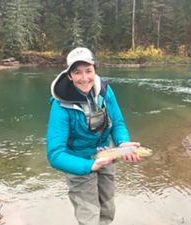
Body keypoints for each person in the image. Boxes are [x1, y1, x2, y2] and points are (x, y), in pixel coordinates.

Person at [46, 47, 141, 225]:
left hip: (107, 157)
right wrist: (90, 165)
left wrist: (123, 143)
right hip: (78, 164)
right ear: (69, 76)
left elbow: (118, 123)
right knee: (89, 216)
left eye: (88, 71)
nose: (84, 78)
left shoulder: (105, 91)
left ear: (95, 70)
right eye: (77, 72)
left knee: (107, 210)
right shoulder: (60, 107)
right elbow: (55, 155)